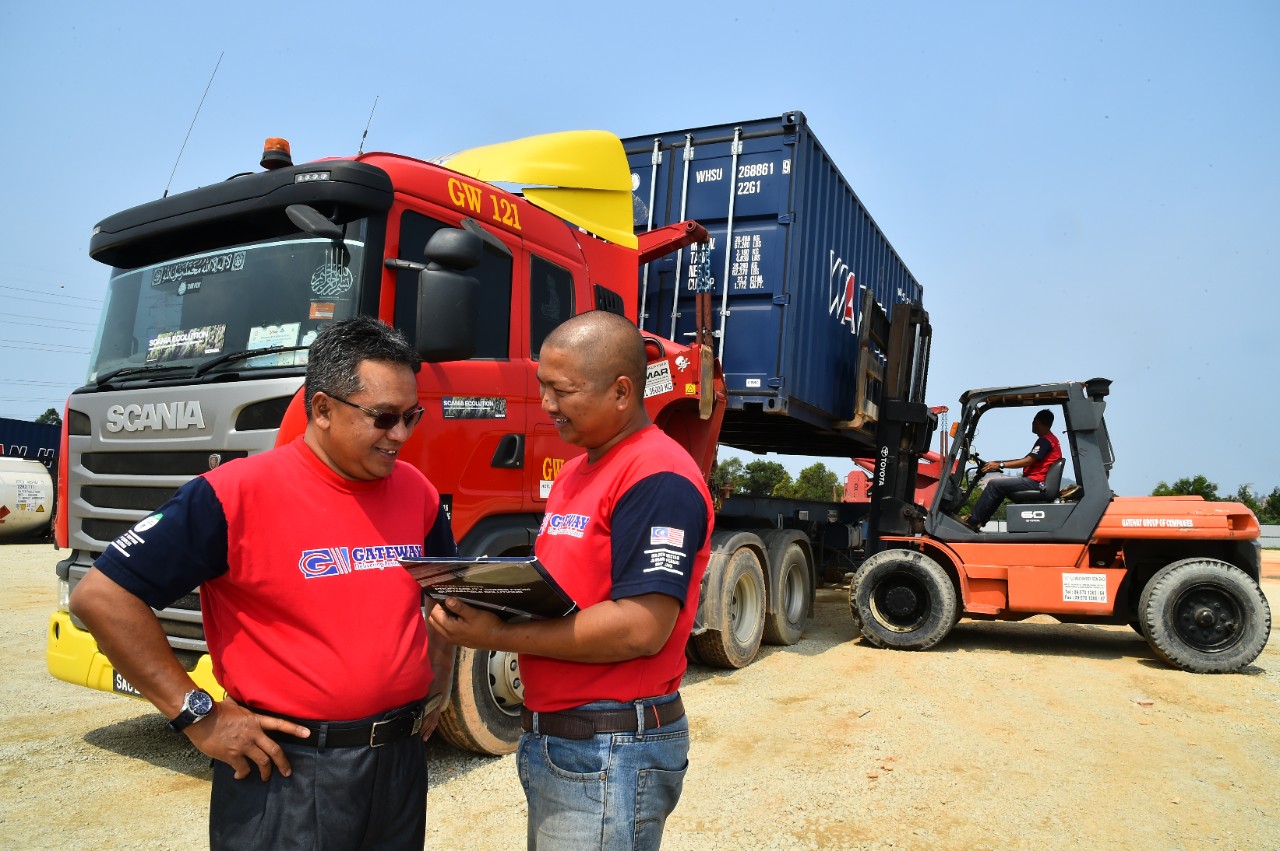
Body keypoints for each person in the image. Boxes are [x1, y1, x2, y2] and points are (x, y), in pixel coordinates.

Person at [69, 316, 457, 850]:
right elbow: (101, 595)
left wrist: (439, 673)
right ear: (321, 409)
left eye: (411, 415)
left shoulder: (418, 493)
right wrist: (196, 713)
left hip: (398, 765)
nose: (401, 436)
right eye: (384, 417)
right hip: (287, 772)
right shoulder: (232, 496)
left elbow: (445, 593)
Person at [429, 310, 714, 851]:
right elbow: (564, 590)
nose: (548, 406)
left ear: (622, 392)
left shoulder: (657, 477)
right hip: (562, 740)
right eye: (543, 388)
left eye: (563, 391)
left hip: (609, 746)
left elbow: (639, 628)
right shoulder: (575, 474)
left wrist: (497, 637)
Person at [964, 408, 1063, 531]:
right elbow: (1027, 458)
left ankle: (973, 521)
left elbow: (1028, 461)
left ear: (1037, 422)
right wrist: (998, 463)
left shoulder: (1045, 441)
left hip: (1037, 482)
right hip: (1037, 481)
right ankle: (979, 522)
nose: (1032, 424)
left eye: (1033, 421)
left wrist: (1000, 465)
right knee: (999, 488)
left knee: (994, 484)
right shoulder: (1049, 440)